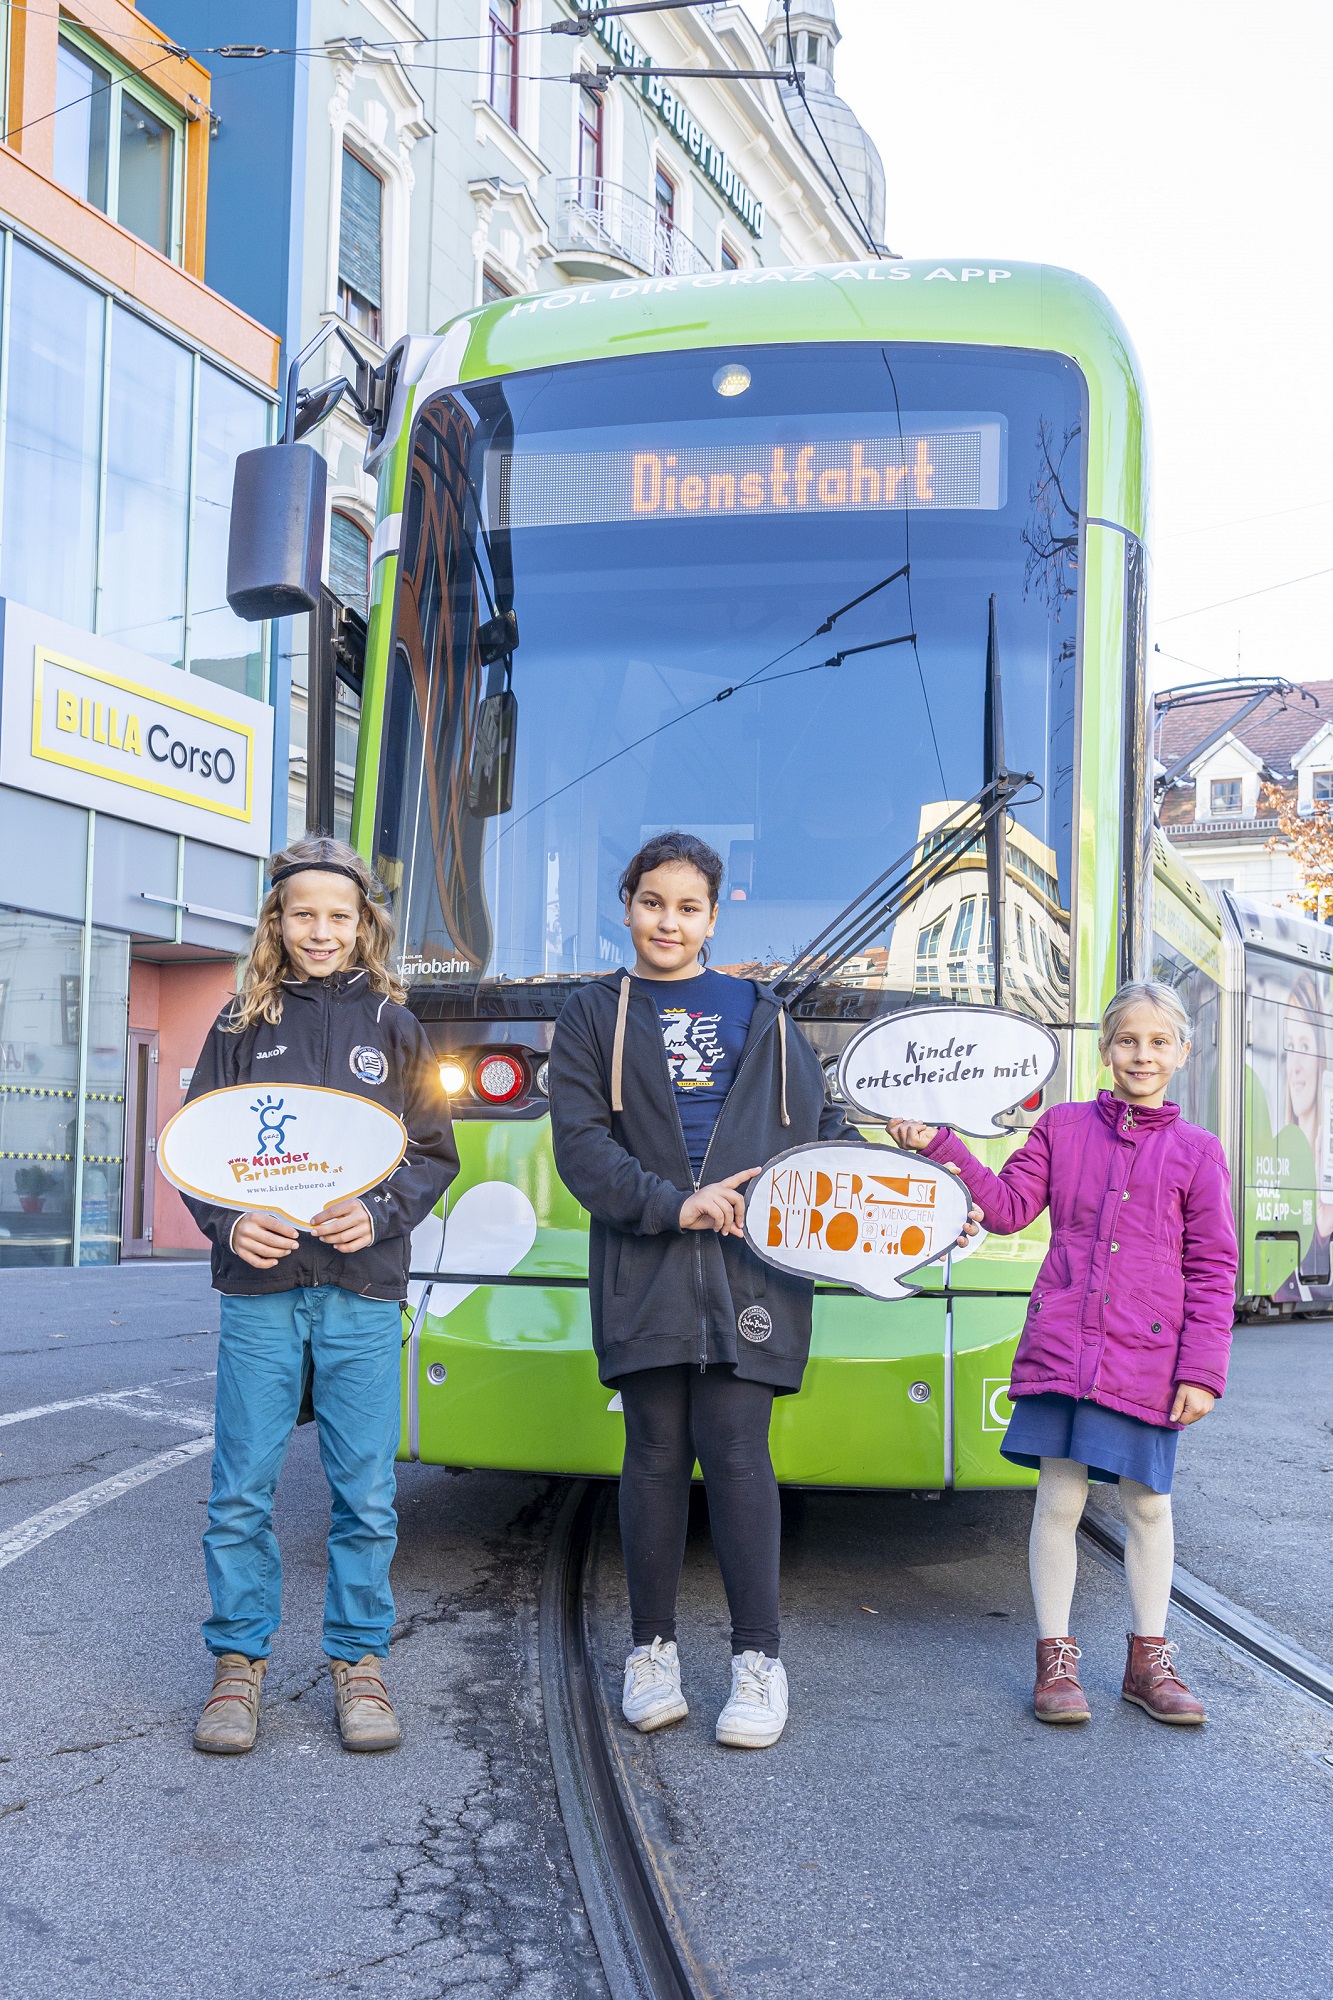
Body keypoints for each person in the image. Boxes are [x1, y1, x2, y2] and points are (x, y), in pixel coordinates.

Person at [549, 831, 978, 1750]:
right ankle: (651, 1652)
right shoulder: (593, 1012)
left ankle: (758, 1663)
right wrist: (676, 1205)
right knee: (655, 1451)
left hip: (756, 1265)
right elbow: (582, 1148)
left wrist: (925, 1209)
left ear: (714, 914)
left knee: (740, 1453)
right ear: (625, 906)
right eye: (652, 902)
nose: (669, 921)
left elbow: (822, 1136)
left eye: (687, 906)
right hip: (647, 1259)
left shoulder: (764, 1012)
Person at [889, 980, 1237, 1726]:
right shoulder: (1061, 1129)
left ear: (1180, 1051)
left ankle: (1148, 1661)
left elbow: (1213, 1268)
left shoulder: (1198, 1152)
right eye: (1125, 1040)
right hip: (1063, 1348)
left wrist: (1201, 1370)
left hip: (1147, 1357)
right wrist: (942, 1145)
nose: (1140, 1054)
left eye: (1156, 1041)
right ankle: (1056, 1661)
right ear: (1104, 1048)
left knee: (1147, 1505)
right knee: (1059, 1500)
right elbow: (1009, 1209)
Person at [183, 836, 457, 1757]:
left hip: (360, 1290)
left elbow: (431, 1154)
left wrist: (377, 1213)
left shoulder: (395, 1025)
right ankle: (237, 1666)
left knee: (367, 1494)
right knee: (241, 1491)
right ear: (276, 922)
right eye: (302, 913)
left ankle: (359, 1663)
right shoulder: (236, 1025)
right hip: (260, 1290)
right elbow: (197, 1156)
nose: (320, 930)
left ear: (364, 925)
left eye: (339, 915)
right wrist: (227, 1225)